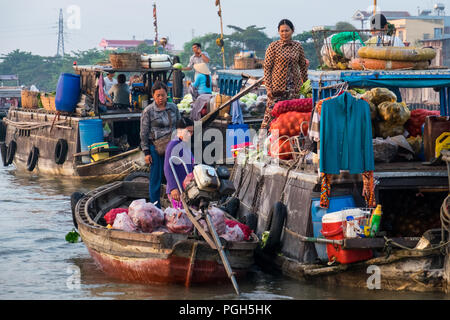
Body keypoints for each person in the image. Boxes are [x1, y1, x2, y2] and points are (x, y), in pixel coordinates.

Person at [260, 19, 309, 138]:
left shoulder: (297, 46)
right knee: (270, 114)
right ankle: (261, 142)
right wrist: (269, 88)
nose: (284, 33)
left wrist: (306, 86)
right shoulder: (273, 47)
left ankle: (288, 143)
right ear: (278, 32)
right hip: (277, 88)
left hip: (294, 89)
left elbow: (303, 66)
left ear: (292, 31)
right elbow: (267, 68)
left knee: (289, 118)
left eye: (287, 30)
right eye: (281, 31)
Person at [140, 81, 181, 208]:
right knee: (156, 177)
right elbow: (143, 133)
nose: (160, 98)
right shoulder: (148, 111)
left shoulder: (173, 107)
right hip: (156, 148)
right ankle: (155, 207)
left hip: (173, 145)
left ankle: (178, 204)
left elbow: (179, 124)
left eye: (163, 95)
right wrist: (146, 152)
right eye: (158, 95)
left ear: (167, 94)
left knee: (176, 173)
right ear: (153, 95)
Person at [163, 117, 195, 209]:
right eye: (188, 131)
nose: (190, 135)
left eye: (192, 132)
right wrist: (173, 188)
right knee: (181, 218)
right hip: (177, 189)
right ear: (179, 130)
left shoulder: (185, 144)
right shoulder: (173, 144)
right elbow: (167, 167)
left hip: (186, 188)